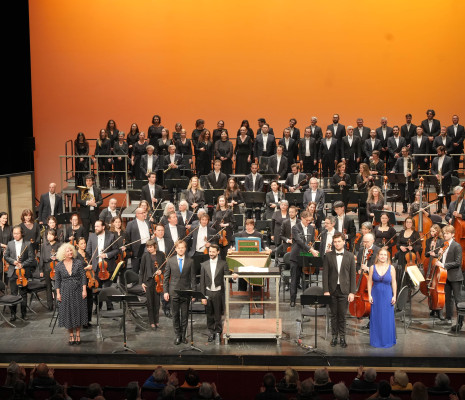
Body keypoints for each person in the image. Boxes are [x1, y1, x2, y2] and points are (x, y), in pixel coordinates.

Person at [323, 232, 356, 348]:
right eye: (335, 242)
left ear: (344, 242)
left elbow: (352, 275)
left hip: (344, 290)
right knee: (333, 315)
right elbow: (325, 274)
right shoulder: (328, 256)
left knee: (342, 315)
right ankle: (334, 337)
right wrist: (326, 290)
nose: (337, 244)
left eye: (339, 241)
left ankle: (342, 337)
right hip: (332, 290)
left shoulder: (350, 256)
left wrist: (352, 292)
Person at [200, 244, 236, 342]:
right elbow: (202, 282)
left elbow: (227, 276)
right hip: (208, 293)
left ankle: (218, 332)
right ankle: (211, 332)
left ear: (218, 252)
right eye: (210, 251)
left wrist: (233, 277)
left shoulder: (223, 263)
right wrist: (203, 297)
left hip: (218, 293)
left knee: (218, 314)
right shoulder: (204, 264)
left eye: (213, 252)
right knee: (209, 314)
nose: (211, 254)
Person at [163, 240, 196, 345]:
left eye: (182, 247)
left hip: (186, 292)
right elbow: (166, 278)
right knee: (175, 315)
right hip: (174, 292)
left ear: (185, 249)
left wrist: (193, 293)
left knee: (185, 315)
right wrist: (165, 292)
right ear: (176, 249)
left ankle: (183, 335)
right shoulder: (170, 261)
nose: (181, 249)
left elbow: (193, 279)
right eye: (179, 248)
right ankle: (177, 335)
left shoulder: (190, 261)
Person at [54, 242, 88, 344]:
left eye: (70, 250)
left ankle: (78, 334)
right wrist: (58, 293)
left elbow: (83, 277)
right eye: (67, 251)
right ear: (63, 254)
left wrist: (84, 290)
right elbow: (57, 280)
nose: (69, 252)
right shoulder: (59, 266)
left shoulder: (78, 263)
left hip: (77, 290)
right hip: (65, 291)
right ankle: (71, 335)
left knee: (78, 312)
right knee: (68, 313)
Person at [435, 225, 463, 330]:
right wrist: (438, 255)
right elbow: (443, 259)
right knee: (447, 299)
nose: (445, 235)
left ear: (452, 234)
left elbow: (457, 262)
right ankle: (448, 319)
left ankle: (460, 324)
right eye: (444, 233)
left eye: (447, 233)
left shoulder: (457, 246)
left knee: (458, 300)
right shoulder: (444, 245)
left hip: (455, 277)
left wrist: (443, 265)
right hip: (445, 276)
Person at [86, 220, 119, 309]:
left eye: (97, 226)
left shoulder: (111, 236)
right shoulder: (92, 236)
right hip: (97, 267)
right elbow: (88, 251)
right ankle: (98, 307)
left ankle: (109, 306)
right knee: (97, 289)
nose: (95, 228)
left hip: (108, 267)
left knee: (107, 287)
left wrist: (107, 255)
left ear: (103, 227)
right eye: (95, 226)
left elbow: (116, 250)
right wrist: (92, 263)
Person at [4, 225, 35, 321]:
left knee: (23, 293)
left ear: (22, 233)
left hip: (23, 272)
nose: (15, 235)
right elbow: (6, 256)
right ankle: (13, 315)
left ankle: (23, 313)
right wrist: (13, 262)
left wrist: (23, 264)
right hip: (13, 272)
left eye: (17, 233)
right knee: (13, 293)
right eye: (14, 233)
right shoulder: (10, 244)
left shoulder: (28, 244)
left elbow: (31, 258)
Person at [367, 248, 397, 348]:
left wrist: (394, 296)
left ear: (387, 257)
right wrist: (369, 295)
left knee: (387, 318)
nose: (383, 256)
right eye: (381, 254)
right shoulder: (372, 267)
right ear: (378, 256)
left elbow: (394, 282)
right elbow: (369, 282)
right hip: (375, 295)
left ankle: (387, 340)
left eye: (385, 255)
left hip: (387, 295)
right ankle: (376, 341)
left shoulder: (391, 268)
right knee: (376, 318)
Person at [289, 211, 319, 307]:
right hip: (296, 256)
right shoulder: (295, 227)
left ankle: (306, 299)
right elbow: (299, 241)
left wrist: (312, 248)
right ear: (301, 218)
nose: (308, 222)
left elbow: (311, 241)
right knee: (295, 279)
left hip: (306, 256)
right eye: (307, 220)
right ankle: (292, 300)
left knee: (306, 279)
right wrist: (311, 249)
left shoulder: (311, 228)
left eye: (310, 220)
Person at [139, 239, 166, 330]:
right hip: (148, 281)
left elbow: (165, 266)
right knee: (150, 302)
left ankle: (156, 320)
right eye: (148, 247)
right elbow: (141, 270)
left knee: (157, 302)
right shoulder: (145, 256)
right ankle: (151, 321)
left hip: (158, 281)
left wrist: (161, 270)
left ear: (155, 246)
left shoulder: (161, 254)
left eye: (150, 247)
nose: (149, 249)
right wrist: (142, 282)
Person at [125, 208, 153, 274]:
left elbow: (150, 233)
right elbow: (127, 237)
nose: (144, 214)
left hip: (147, 246)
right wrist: (129, 250)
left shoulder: (147, 222)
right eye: (142, 213)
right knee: (136, 268)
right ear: (137, 214)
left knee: (147, 267)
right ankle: (135, 282)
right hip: (136, 248)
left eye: (144, 212)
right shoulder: (131, 224)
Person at [396, 217, 422, 286]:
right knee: (401, 271)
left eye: (410, 222)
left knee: (409, 273)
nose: (408, 224)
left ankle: (409, 287)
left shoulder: (415, 233)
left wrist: (412, 247)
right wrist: (400, 247)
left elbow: (419, 245)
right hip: (402, 254)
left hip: (411, 256)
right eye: (407, 222)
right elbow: (397, 244)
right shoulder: (402, 232)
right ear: (405, 223)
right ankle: (401, 286)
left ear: (413, 223)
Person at [39, 228, 60, 310]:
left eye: (51, 235)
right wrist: (40, 270)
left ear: (55, 236)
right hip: (47, 267)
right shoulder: (44, 245)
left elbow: (62, 256)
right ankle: (50, 305)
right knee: (48, 287)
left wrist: (56, 258)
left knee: (57, 286)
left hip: (57, 267)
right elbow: (41, 257)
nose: (49, 236)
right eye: (48, 234)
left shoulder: (59, 244)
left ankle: (58, 304)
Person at [75, 237, 93, 328]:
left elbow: (91, 263)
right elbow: (75, 270)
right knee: (83, 301)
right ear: (77, 245)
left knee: (89, 301)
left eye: (84, 243)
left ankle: (88, 320)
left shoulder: (88, 254)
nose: (84, 245)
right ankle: (83, 321)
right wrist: (86, 268)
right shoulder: (76, 256)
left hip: (89, 279)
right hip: (80, 281)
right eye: (81, 243)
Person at [212, 195, 235, 260]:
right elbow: (213, 222)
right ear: (218, 202)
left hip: (227, 234)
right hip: (218, 233)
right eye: (220, 201)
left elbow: (233, 223)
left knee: (226, 253)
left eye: (223, 201)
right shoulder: (216, 211)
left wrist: (225, 225)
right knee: (218, 253)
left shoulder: (229, 211)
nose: (221, 202)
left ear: (225, 202)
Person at [431, 145, 454, 210]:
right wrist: (436, 175)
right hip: (437, 180)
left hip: (446, 180)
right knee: (439, 196)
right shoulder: (435, 159)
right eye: (437, 152)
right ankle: (439, 209)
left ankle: (449, 210)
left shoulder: (449, 159)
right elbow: (432, 169)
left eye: (439, 152)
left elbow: (451, 170)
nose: (437, 153)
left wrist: (443, 176)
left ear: (443, 151)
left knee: (447, 196)